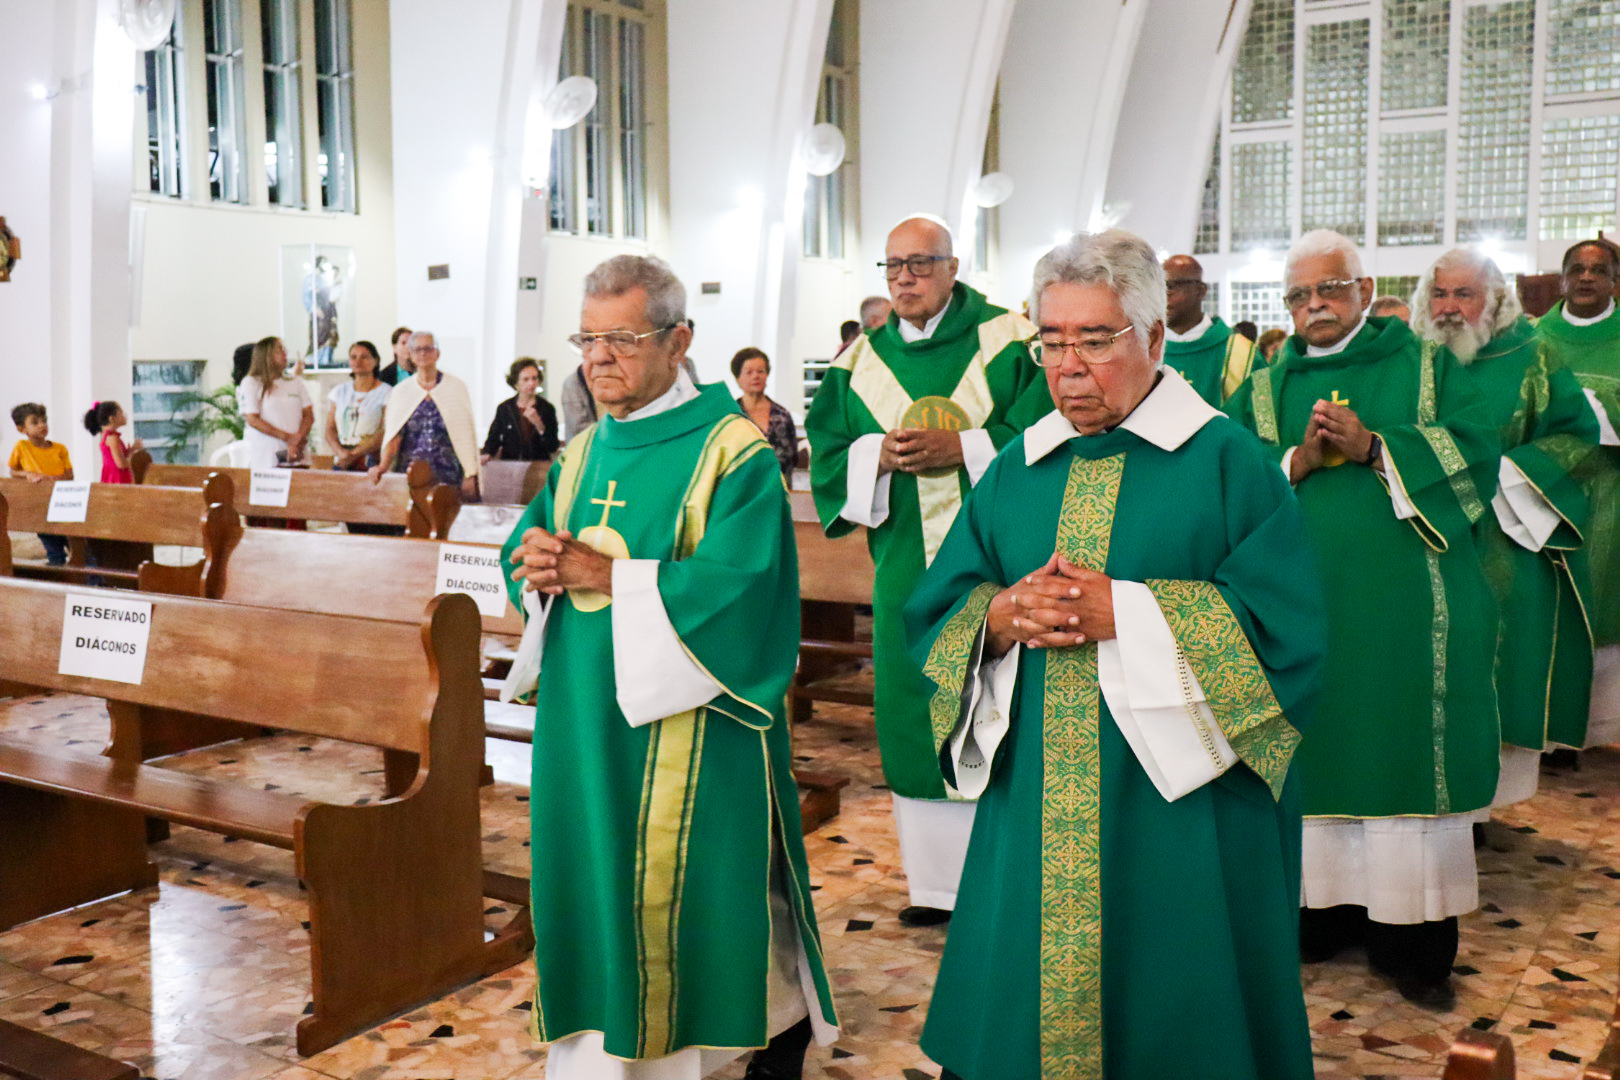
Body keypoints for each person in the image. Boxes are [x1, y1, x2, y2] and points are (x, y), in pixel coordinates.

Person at [906, 227, 1323, 1080]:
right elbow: (943, 606)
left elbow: (1288, 635)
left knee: (1175, 1019)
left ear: (1155, 337)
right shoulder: (1017, 468)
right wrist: (999, 617)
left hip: (1180, 811)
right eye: (1052, 341)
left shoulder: (1230, 465)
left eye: (1095, 340)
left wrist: (1127, 612)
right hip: (1036, 803)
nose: (1068, 368)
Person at [500, 253, 838, 1080]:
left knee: (697, 893)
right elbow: (528, 546)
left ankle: (730, 1042)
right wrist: (533, 563)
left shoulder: (734, 453)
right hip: (585, 719)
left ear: (679, 341)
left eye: (622, 339)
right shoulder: (582, 453)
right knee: (595, 878)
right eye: (587, 339)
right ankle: (599, 1047)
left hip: (688, 724)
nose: (598, 358)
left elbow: (742, 592)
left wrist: (609, 577)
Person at [1227, 229, 1501, 1008]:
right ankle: (1321, 917)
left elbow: (1478, 453)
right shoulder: (1261, 387)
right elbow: (1228, 477)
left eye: (1330, 289)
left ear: (1364, 289)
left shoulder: (1425, 366)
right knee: (1312, 753)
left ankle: (1411, 941)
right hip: (1297, 612)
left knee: (1398, 749)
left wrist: (1379, 447)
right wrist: (1297, 461)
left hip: (1403, 613)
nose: (1314, 306)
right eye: (1299, 295)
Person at [806, 214, 1048, 927]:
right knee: (915, 710)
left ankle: (1008, 875)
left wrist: (965, 449)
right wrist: (874, 456)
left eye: (920, 263)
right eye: (893, 266)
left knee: (1004, 703)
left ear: (952, 267)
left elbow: (1049, 433)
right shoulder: (858, 363)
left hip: (1000, 566)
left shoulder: (1012, 342)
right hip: (906, 569)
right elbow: (829, 452)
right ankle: (937, 887)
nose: (904, 278)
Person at [1414, 247, 1598, 804]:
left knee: (1498, 666)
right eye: (1439, 294)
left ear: (1495, 300)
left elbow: (1576, 433)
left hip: (1504, 535)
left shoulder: (1534, 356)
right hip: (1426, 536)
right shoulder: (1414, 360)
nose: (1449, 307)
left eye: (1464, 294)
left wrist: (1505, 475)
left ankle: (1487, 806)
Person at [1534, 237, 1620, 748]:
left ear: (1614, 281)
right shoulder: (1532, 340)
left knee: (1603, 603)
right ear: (1562, 278)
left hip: (1610, 492)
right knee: (1547, 608)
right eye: (1577, 269)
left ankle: (1596, 730)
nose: (1586, 277)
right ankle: (1548, 730)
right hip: (1540, 492)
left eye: (1598, 269)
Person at [372, 331, 480, 499]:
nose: (423, 353)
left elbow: (465, 435)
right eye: (417, 349)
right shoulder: (401, 391)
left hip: (450, 475)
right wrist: (382, 466)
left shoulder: (456, 387)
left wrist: (470, 473)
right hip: (410, 475)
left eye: (428, 348)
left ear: (437, 353)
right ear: (411, 354)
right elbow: (394, 435)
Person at [1160, 254, 1259, 405]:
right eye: (1158, 287)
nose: (1162, 296)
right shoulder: (1143, 349)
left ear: (1200, 291)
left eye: (1171, 286)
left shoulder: (1240, 352)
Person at [9, 403, 74, 565]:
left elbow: (69, 475)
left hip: (62, 502)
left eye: (44, 421)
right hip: (39, 506)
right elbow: (13, 471)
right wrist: (27, 474)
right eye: (35, 422)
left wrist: (51, 479)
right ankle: (57, 571)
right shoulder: (22, 447)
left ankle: (89, 576)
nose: (42, 425)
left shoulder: (60, 449)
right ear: (22, 429)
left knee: (74, 544)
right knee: (53, 548)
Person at [239, 336, 315, 470]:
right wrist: (288, 438)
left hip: (297, 456)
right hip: (268, 458)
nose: (285, 354)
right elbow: (253, 419)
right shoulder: (251, 383)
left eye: (284, 350)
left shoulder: (294, 381)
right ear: (267, 355)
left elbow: (308, 414)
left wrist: (298, 439)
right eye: (280, 350)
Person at [324, 341, 391, 471]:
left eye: (364, 357)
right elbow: (330, 429)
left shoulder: (387, 392)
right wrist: (341, 452)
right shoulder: (339, 391)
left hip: (370, 461)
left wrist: (355, 454)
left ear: (375, 361)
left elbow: (384, 430)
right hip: (342, 459)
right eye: (353, 357)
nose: (358, 361)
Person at [732, 347, 797, 478]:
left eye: (761, 371)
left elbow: (793, 458)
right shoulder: (731, 416)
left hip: (779, 485)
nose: (756, 376)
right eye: (749, 372)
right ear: (738, 378)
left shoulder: (782, 415)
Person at [482, 358, 561, 464]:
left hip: (538, 466)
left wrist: (539, 425)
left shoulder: (547, 408)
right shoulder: (505, 408)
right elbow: (494, 438)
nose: (531, 383)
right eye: (526, 379)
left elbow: (552, 446)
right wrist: (487, 453)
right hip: (511, 465)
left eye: (534, 378)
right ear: (516, 383)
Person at [84, 400, 141, 484]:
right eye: (121, 413)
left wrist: (131, 450)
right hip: (117, 478)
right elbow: (120, 463)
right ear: (112, 419)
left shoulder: (106, 436)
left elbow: (117, 456)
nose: (124, 416)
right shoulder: (112, 438)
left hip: (112, 477)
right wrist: (132, 460)